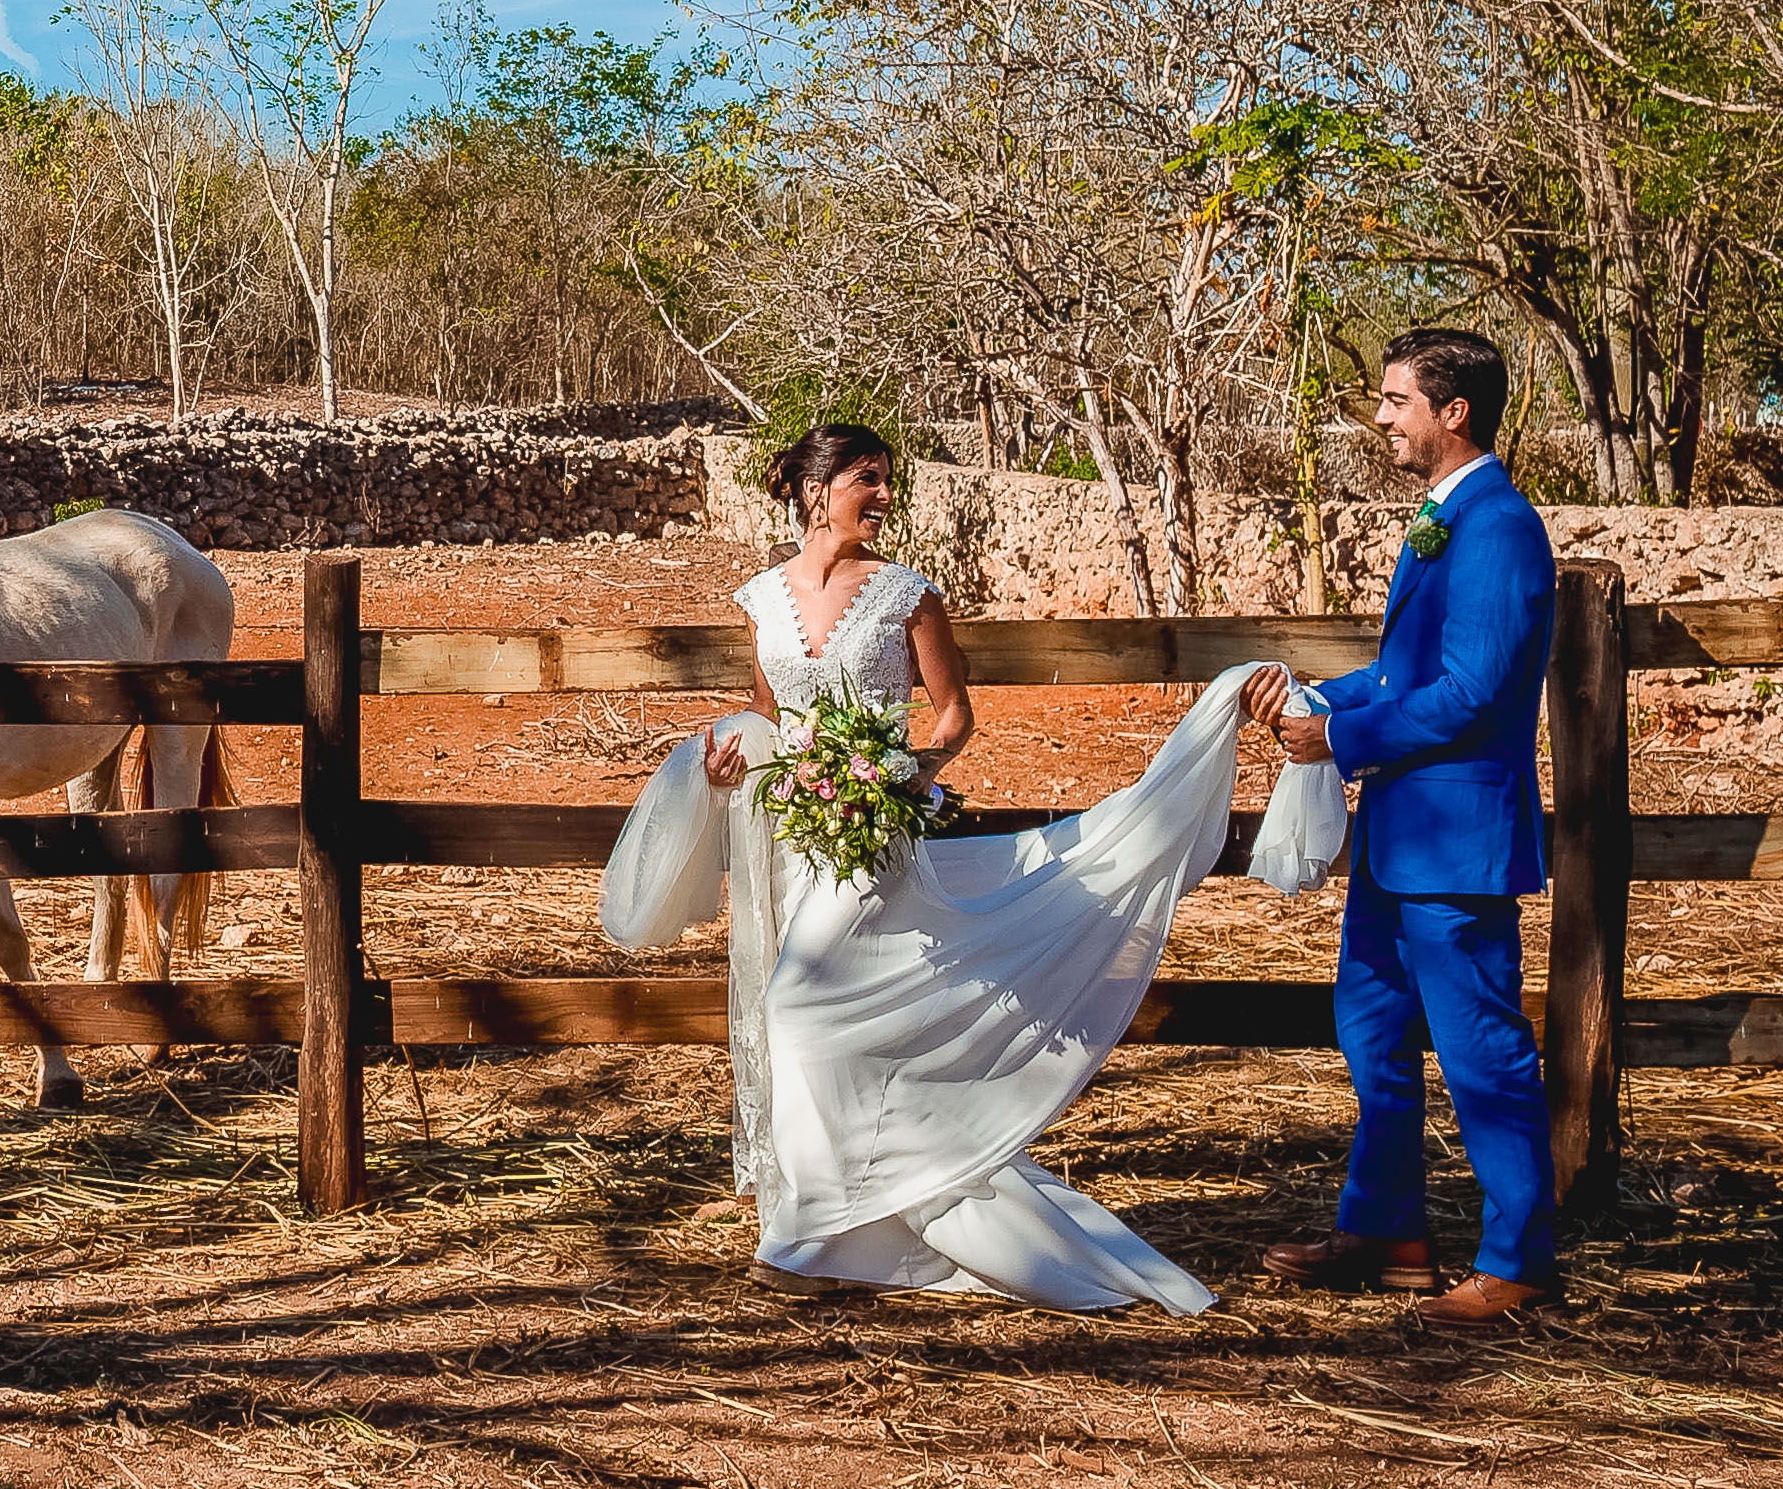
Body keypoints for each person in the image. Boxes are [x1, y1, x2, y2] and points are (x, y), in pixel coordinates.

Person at [600, 418, 1269, 1315]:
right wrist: (731, 761)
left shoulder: (907, 593)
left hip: (875, 836)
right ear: (814, 487)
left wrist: (902, 770)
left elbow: (955, 716)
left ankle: (808, 1239)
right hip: (795, 840)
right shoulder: (760, 597)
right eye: (866, 480)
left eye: (886, 482)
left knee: (801, 1009)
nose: (882, 498)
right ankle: (844, 1230)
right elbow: (767, 714)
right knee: (832, 1027)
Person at [1245, 327, 1562, 1328]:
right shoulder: (1439, 521)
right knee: (1370, 1030)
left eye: (1392, 400)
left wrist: (1336, 738)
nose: (1378, 417)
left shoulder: (1497, 529)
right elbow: (1398, 676)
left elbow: (1469, 693)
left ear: (1450, 411)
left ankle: (1516, 1263)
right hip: (1397, 835)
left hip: (1456, 843)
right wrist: (1306, 695)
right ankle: (1385, 1233)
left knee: (1480, 1052)